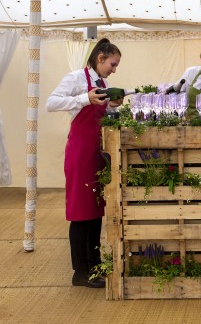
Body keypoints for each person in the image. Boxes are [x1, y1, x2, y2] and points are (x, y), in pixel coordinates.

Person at [46, 38, 123, 288]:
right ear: (100, 58)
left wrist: (111, 106)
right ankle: (80, 271)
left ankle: (95, 264)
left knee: (95, 210)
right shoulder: (76, 78)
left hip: (97, 153)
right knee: (81, 212)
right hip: (80, 153)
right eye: (112, 64)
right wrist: (83, 99)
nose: (114, 69)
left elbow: (99, 113)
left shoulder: (103, 84)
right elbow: (51, 103)